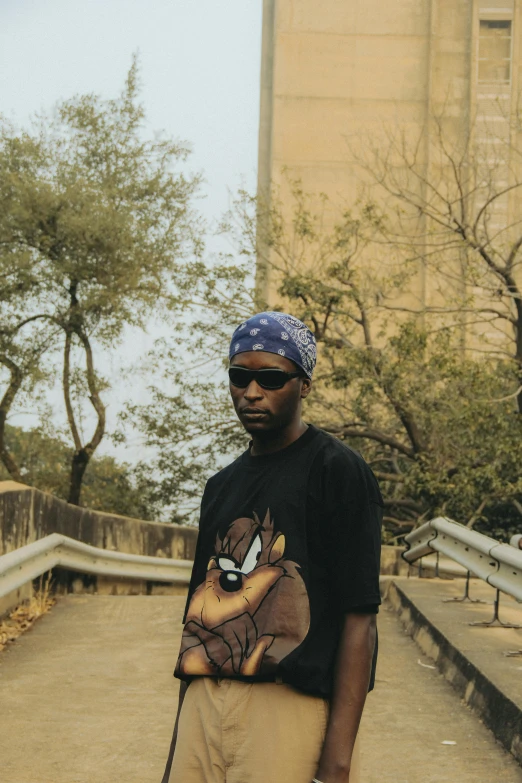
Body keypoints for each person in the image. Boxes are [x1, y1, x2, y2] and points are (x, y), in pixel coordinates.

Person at [162, 311, 382, 783]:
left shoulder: (336, 470)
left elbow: (359, 619)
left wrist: (337, 763)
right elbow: (198, 620)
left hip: (288, 710)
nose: (252, 391)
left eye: (271, 377)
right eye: (239, 376)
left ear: (303, 384)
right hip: (205, 703)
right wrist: (179, 745)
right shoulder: (220, 486)